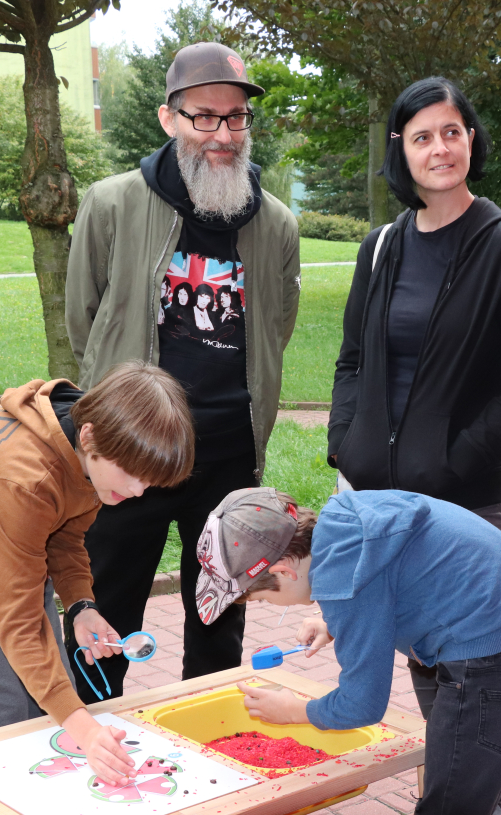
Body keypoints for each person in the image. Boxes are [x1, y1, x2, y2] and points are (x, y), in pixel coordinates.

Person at [326, 76, 501, 815]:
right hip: (387, 499)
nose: (439, 148)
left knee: (483, 691)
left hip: (467, 502)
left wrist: (460, 459)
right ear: (401, 151)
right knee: (435, 678)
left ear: (471, 140)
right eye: (421, 136)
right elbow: (353, 359)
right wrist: (346, 442)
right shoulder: (382, 247)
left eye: (451, 132)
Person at [64, 42, 301, 689]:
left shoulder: (276, 225)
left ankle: (209, 726)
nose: (222, 133)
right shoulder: (111, 204)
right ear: (169, 118)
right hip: (131, 451)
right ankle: (94, 731)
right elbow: (85, 320)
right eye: (204, 117)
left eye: (236, 117)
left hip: (226, 455)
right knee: (107, 608)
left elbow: (275, 328)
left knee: (219, 615)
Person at [0, 362, 194, 793]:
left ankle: (47, 812)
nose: (138, 491)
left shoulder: (94, 446)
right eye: (133, 475)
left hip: (11, 531)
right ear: (89, 437)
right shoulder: (27, 478)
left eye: (150, 482)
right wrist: (84, 729)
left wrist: (81, 606)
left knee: (46, 699)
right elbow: (20, 623)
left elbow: (65, 534)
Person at [194, 487, 501, 815]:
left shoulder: (344, 583)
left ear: (284, 571)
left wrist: (294, 711)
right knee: (469, 790)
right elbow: (390, 576)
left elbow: (362, 704)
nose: (267, 604)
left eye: (261, 598)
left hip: (496, 657)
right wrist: (335, 622)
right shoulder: (345, 523)